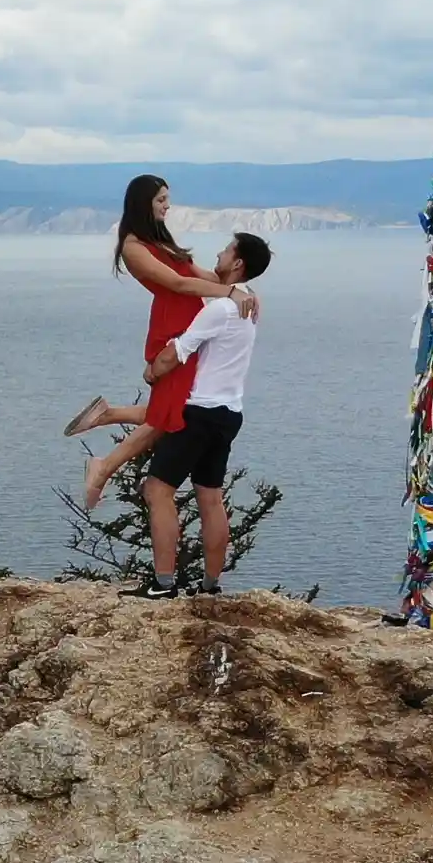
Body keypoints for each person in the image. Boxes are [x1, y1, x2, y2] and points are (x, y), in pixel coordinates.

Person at [64, 178, 257, 511]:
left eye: (167, 199)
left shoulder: (160, 239)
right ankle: (103, 466)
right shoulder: (133, 246)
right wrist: (230, 293)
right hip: (172, 326)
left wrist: (247, 293)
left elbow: (199, 275)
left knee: (176, 409)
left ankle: (107, 416)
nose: (167, 206)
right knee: (171, 415)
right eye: (161, 200)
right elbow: (178, 283)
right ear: (143, 203)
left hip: (188, 319)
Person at [130, 242, 264, 598]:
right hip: (229, 413)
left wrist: (152, 372)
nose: (217, 255)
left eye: (225, 250)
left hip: (199, 412)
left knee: (157, 490)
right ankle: (210, 586)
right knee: (210, 497)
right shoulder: (250, 303)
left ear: (237, 263)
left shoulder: (221, 308)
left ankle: (163, 584)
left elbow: (178, 352)